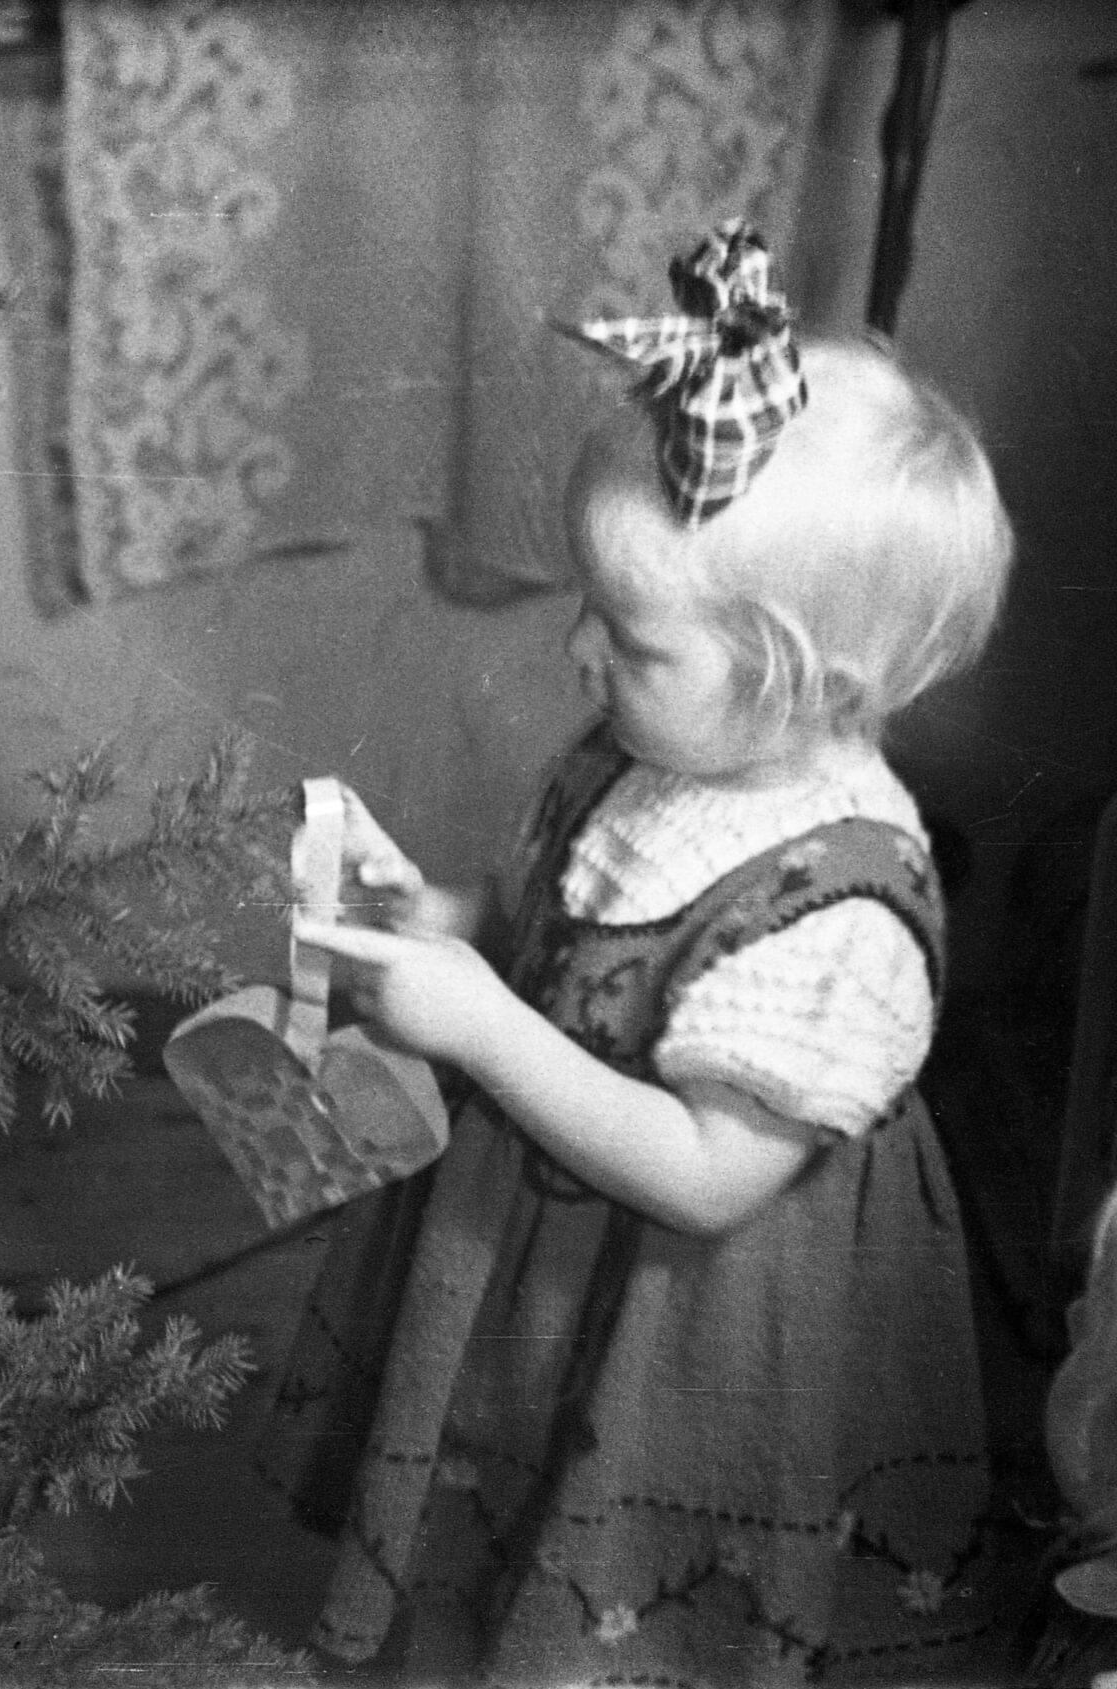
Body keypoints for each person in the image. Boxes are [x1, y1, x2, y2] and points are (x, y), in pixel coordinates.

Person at [256, 224, 1017, 1684]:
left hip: (694, 1314)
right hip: (542, 1245)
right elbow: (584, 917)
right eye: (590, 617)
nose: (579, 661)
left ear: (813, 683)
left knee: (632, 1601)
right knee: (505, 1506)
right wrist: (467, 925)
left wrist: (480, 1026)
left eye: (631, 638)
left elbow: (708, 1171)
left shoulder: (841, 909)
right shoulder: (655, 754)